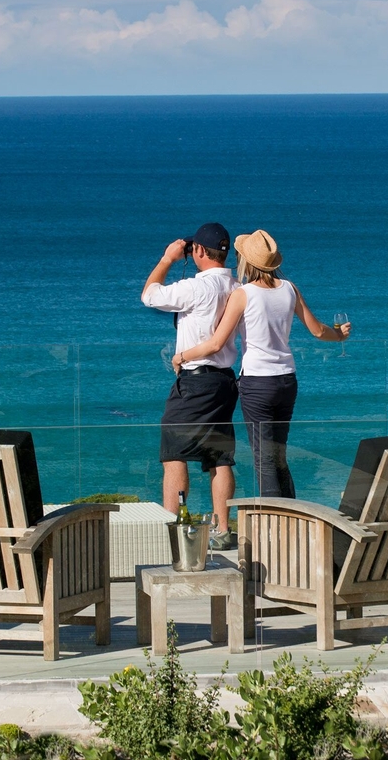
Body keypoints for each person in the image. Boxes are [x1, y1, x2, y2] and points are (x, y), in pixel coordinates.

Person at [176, 229, 349, 499]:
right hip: (287, 380)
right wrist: (339, 335)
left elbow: (215, 344)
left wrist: (182, 356)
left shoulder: (243, 294)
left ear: (246, 261)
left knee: (263, 458)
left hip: (258, 383)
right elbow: (317, 331)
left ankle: (272, 527)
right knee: (279, 454)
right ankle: (290, 520)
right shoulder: (290, 289)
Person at [141, 222, 240, 550]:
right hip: (226, 381)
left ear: (198, 251)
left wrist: (167, 259)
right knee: (220, 457)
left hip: (196, 380)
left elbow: (150, 295)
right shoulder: (236, 285)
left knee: (174, 454)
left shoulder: (197, 287)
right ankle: (222, 529)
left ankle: (175, 528)